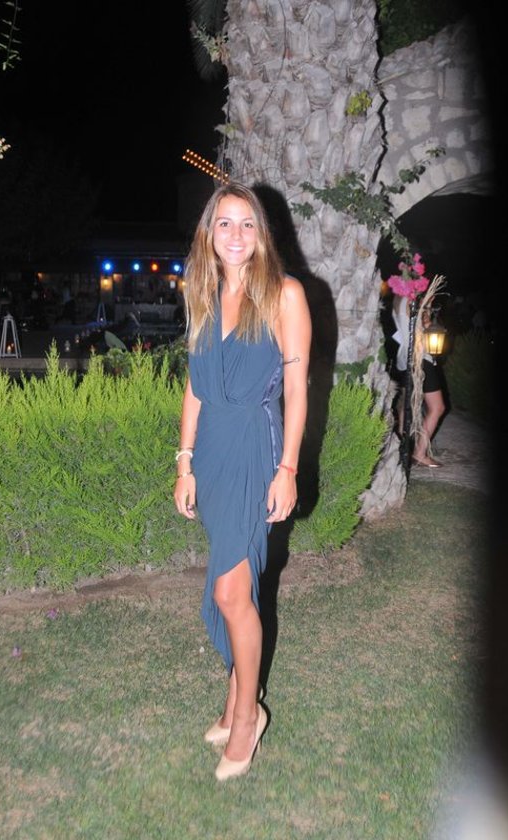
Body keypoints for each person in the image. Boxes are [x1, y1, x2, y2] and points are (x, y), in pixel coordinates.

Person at [173, 182, 311, 781]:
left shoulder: (284, 294)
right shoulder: (202, 294)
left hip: (257, 449)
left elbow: (298, 391)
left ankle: (249, 716)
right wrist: (184, 462)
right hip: (211, 453)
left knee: (232, 592)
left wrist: (288, 469)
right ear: (209, 233)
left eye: (247, 224)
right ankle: (235, 701)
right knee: (233, 584)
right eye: (224, 224)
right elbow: (194, 386)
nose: (235, 235)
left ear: (261, 234)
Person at [391, 293, 446, 467]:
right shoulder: (411, 301)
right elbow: (423, 325)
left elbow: (418, 324)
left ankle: (400, 450)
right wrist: (426, 305)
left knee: (408, 404)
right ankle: (420, 453)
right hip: (421, 359)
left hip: (407, 358)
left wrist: (426, 308)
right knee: (437, 407)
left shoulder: (398, 301)